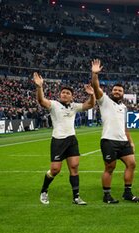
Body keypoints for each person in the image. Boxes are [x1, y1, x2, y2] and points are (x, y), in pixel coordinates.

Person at [34, 72, 96, 205]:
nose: (65, 94)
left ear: (72, 96)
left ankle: (76, 197)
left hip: (71, 140)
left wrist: (91, 94)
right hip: (58, 140)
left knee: (74, 167)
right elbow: (41, 101)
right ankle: (44, 191)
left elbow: (90, 105)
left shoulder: (74, 106)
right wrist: (39, 87)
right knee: (55, 169)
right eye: (63, 92)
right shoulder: (54, 105)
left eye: (68, 93)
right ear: (60, 95)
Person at [91, 59, 139, 204]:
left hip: (123, 141)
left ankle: (127, 192)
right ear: (111, 92)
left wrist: (131, 142)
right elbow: (96, 87)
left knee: (132, 164)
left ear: (123, 93)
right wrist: (95, 74)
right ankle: (106, 195)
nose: (117, 92)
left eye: (120, 90)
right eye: (115, 90)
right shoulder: (105, 101)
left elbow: (125, 126)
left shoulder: (124, 107)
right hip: (109, 140)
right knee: (110, 167)